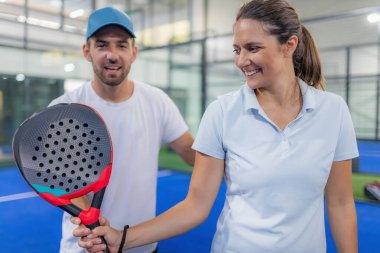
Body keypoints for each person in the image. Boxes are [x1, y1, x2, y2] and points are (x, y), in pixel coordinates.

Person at [72, 0, 359, 252]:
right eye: (237, 49)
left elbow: (341, 203)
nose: (241, 60)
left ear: (290, 45)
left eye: (253, 48)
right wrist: (122, 238)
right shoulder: (221, 112)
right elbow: (195, 206)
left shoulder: (333, 111)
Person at [49, 6, 195, 253]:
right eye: (102, 45)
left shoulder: (157, 101)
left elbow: (193, 154)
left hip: (141, 247)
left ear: (134, 52)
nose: (112, 55)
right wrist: (93, 232)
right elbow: (68, 184)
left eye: (121, 45)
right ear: (87, 51)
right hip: (85, 248)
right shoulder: (64, 109)